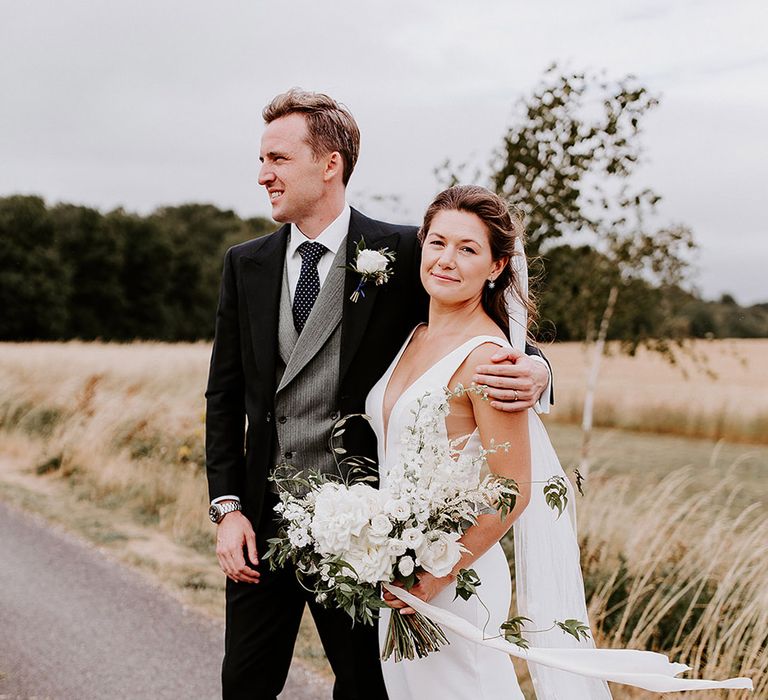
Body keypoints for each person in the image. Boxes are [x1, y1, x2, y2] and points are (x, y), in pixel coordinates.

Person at [204, 90, 552, 700]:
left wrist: (537, 371)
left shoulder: (409, 253)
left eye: (279, 159)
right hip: (262, 521)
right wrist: (227, 507)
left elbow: (476, 322)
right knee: (244, 684)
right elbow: (224, 396)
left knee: (369, 688)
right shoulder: (246, 263)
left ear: (330, 163)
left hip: (366, 532)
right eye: (263, 160)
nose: (263, 175)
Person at [369, 185, 753, 698]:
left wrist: (437, 572)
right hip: (398, 566)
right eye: (437, 242)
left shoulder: (493, 361)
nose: (446, 259)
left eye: (468, 249)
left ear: (497, 266)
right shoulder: (413, 334)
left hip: (449, 575)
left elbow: (513, 488)